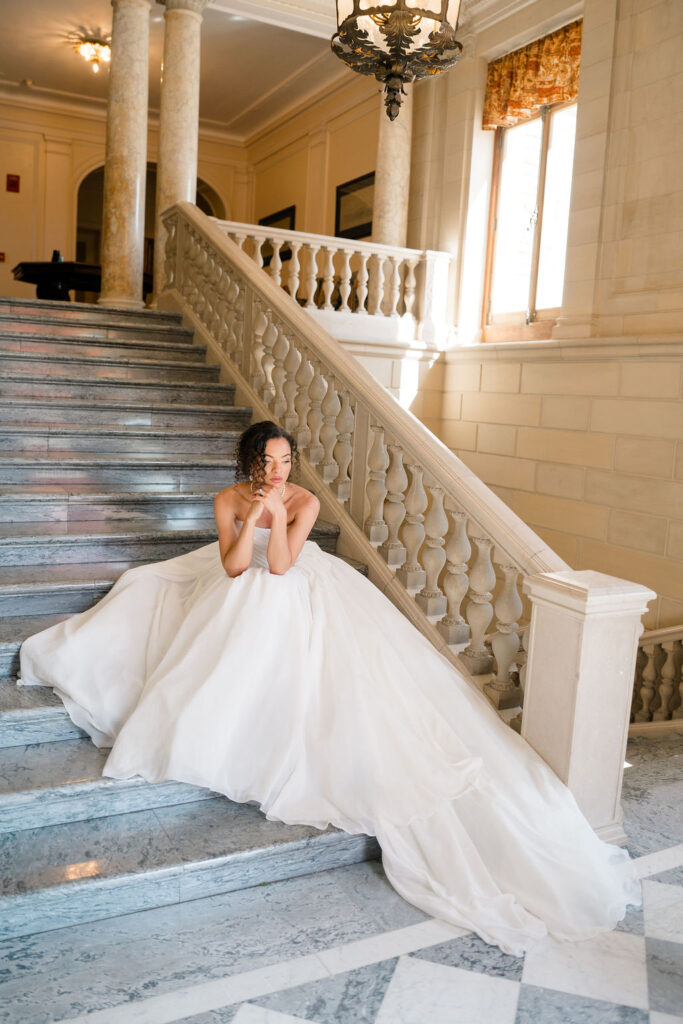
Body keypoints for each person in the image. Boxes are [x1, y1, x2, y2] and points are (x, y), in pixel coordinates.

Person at [19, 421, 639, 955]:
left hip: (293, 576)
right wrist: (254, 511)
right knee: (225, 601)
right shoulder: (227, 499)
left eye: (286, 460)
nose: (280, 469)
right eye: (270, 461)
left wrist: (275, 511)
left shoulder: (306, 503)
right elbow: (235, 566)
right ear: (249, 464)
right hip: (242, 576)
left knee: (271, 604)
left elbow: (282, 565)